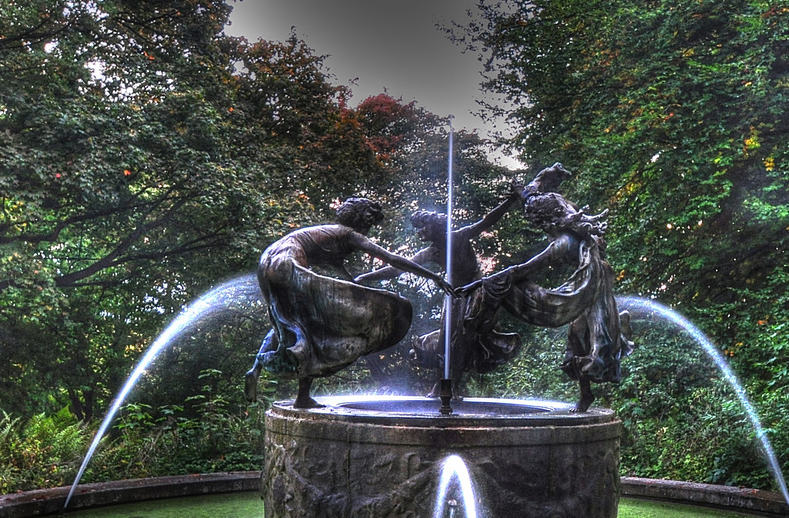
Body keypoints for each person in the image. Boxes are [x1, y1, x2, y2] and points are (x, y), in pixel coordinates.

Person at [245, 197, 451, 408]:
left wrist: (362, 284)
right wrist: (434, 277)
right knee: (316, 327)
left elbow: (347, 281)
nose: (368, 229)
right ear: (362, 219)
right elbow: (393, 260)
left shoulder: (330, 235)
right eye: (369, 223)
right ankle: (302, 396)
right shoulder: (350, 234)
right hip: (288, 262)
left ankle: (256, 370)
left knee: (287, 320)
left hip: (268, 260)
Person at [462, 164, 632, 411]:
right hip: (591, 285)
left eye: (541, 224)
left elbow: (528, 267)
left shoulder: (563, 242)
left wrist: (491, 280)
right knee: (577, 337)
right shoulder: (573, 228)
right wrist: (530, 187)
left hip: (591, 289)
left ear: (550, 220)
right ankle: (586, 395)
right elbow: (535, 199)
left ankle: (484, 338)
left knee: (590, 340)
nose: (542, 229)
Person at [354, 190, 521, 396]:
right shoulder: (430, 252)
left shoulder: (459, 237)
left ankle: (451, 386)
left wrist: (510, 200)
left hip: (477, 292)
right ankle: (443, 386)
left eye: (423, 226)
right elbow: (397, 269)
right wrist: (365, 277)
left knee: (462, 337)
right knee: (446, 341)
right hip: (453, 296)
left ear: (436, 226)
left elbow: (487, 221)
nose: (419, 232)